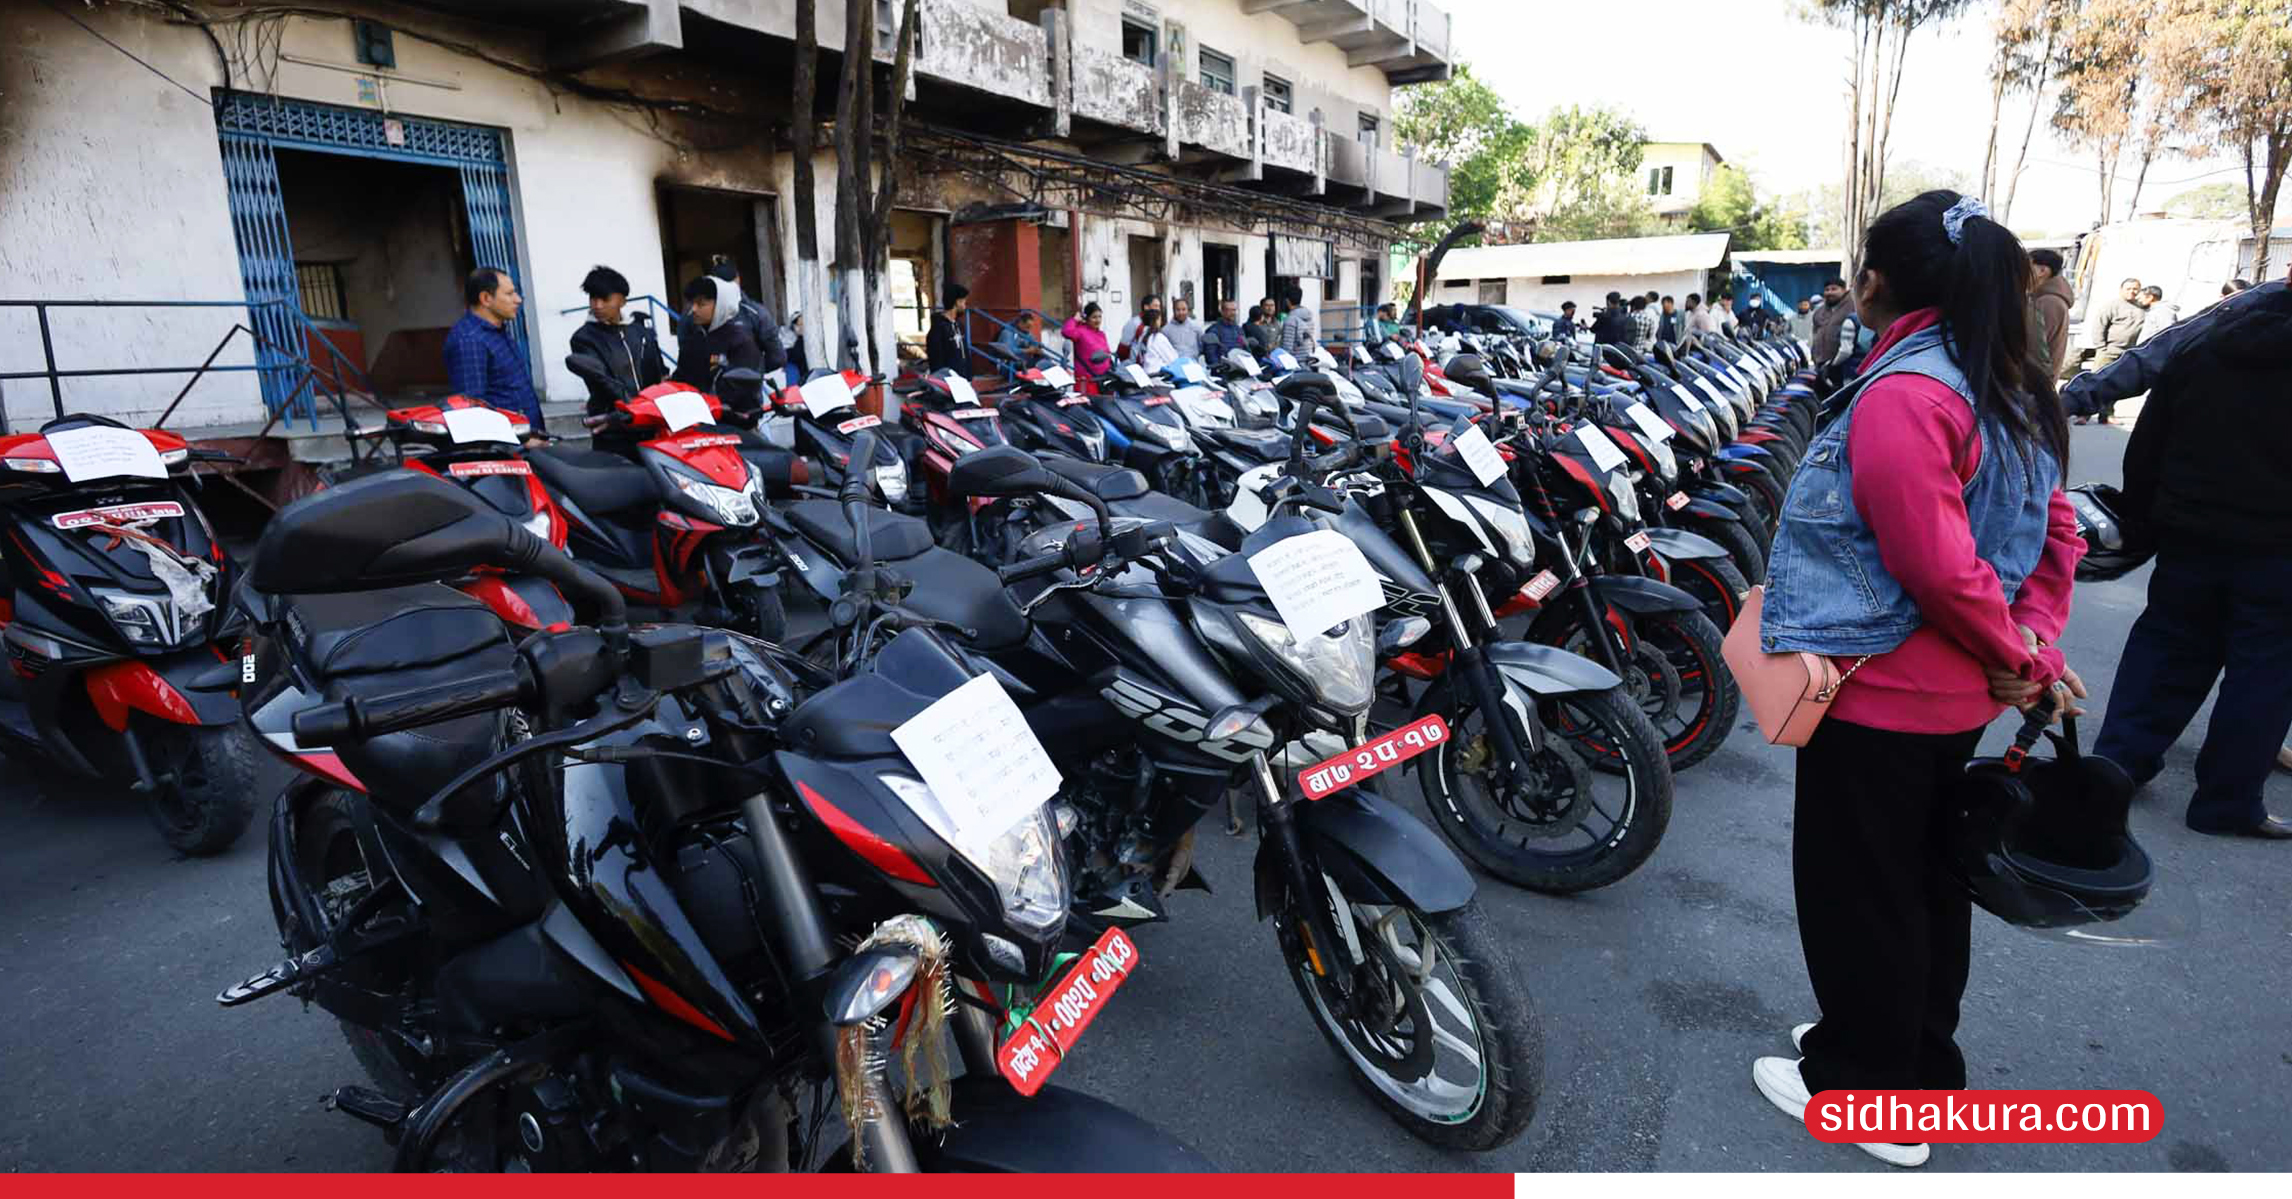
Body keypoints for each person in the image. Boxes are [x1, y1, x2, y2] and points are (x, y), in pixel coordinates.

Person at [1750, 191, 2086, 1168]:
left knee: (1863, 892)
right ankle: (1917, 1065)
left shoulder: (1911, 391)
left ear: (1878, 282)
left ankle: (1868, 1092)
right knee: (1926, 885)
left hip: (1880, 691)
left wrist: (2022, 655)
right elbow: (2056, 533)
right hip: (1955, 697)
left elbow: (1936, 566)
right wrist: (2031, 647)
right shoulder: (2009, 381)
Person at [2063, 279, 2292, 836]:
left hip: (2191, 529)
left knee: (2167, 645)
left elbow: (2150, 437)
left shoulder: (2209, 339)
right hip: (2278, 547)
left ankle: (2118, 764)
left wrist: (2144, 514)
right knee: (2264, 670)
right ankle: (2227, 801)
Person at [444, 267, 544, 434]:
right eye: (509, 294)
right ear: (486, 298)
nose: (518, 299)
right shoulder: (469, 340)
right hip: (511, 445)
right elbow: (473, 410)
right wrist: (523, 441)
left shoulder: (496, 330)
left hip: (529, 436)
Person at [569, 265, 665, 414]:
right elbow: (603, 382)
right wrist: (633, 406)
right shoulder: (583, 338)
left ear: (623, 301)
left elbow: (658, 371)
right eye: (593, 298)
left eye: (605, 299)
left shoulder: (640, 331)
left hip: (651, 413)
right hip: (612, 418)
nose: (598, 305)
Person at [673, 274, 767, 410]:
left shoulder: (740, 341)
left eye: (701, 304)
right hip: (696, 416)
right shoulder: (693, 340)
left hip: (733, 417)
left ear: (720, 306)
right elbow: (681, 377)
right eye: (692, 303)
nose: (693, 309)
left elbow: (742, 389)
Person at [2066, 277, 2146, 424]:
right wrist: (2102, 346)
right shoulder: (2112, 306)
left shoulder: (2140, 309)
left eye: (2135, 289)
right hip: (2108, 351)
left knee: (2116, 385)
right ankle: (2084, 415)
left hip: (2127, 353)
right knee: (2095, 383)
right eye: (2128, 288)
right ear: (2121, 290)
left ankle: (2107, 414)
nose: (2132, 291)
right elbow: (2099, 326)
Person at [704, 256, 787, 377]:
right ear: (738, 279)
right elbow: (778, 358)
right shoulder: (756, 313)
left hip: (715, 385)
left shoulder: (699, 314)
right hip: (748, 384)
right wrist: (755, 370)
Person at [2027, 248, 2074, 376]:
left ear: (2042, 271)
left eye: (2027, 267)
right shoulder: (2047, 299)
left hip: (2035, 381)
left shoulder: (2048, 303)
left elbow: (2034, 350)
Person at [1061, 302, 1114, 384]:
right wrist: (1074, 320)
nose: (1098, 320)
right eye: (1094, 317)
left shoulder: (1101, 334)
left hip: (1104, 379)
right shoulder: (1080, 331)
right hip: (1087, 381)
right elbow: (1066, 331)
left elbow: (1107, 354)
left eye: (1100, 317)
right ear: (1087, 318)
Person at [926, 283, 971, 374]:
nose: (965, 306)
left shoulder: (959, 326)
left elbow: (965, 355)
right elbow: (936, 361)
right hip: (948, 380)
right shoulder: (938, 329)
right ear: (957, 302)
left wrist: (968, 376)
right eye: (963, 302)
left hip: (963, 379)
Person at [1809, 277, 1855, 364]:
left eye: (1834, 289)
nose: (1830, 292)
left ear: (1844, 290)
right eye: (1827, 290)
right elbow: (1814, 335)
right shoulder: (1819, 312)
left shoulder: (1853, 307)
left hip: (1846, 364)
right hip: (1822, 363)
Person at [1118, 294, 1163, 363]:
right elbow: (1123, 348)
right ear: (1146, 307)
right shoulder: (1134, 323)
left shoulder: (1155, 324)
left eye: (1159, 306)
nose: (1158, 309)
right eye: (1156, 306)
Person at [1278, 284, 1319, 356]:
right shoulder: (1309, 317)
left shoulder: (1290, 320)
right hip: (1308, 356)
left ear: (1287, 301)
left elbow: (1287, 347)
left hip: (1296, 359)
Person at [1136, 307, 1179, 372]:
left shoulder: (1142, 336)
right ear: (1156, 321)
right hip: (1158, 374)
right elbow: (1172, 359)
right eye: (1159, 319)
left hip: (1146, 372)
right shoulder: (1158, 338)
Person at [1163, 295, 1203, 361]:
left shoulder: (1196, 327)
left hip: (1193, 364)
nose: (1181, 312)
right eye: (1178, 310)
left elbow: (1201, 347)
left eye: (1183, 309)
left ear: (1188, 310)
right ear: (1173, 310)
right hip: (1174, 365)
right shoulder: (1165, 330)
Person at [783, 312, 810, 381]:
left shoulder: (806, 339)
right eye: (798, 325)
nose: (801, 327)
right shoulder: (790, 339)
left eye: (802, 324)